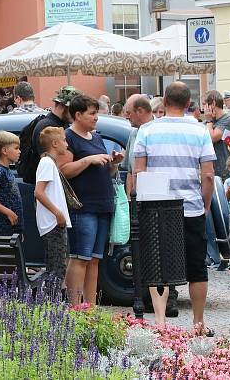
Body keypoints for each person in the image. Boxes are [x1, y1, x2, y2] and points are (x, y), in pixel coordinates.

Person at [133, 81, 215, 332]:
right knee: (196, 266)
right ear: (189, 103)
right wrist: (206, 204)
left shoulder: (146, 130)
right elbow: (209, 175)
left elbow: (139, 172)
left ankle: (160, 321)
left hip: (157, 209)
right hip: (190, 207)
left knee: (159, 264)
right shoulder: (200, 131)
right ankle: (198, 323)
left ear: (164, 101)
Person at [59, 95, 123, 305]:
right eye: (92, 113)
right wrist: (88, 160)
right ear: (78, 115)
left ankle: (91, 307)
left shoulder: (95, 138)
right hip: (82, 206)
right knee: (80, 257)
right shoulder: (68, 138)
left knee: (95, 259)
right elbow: (64, 171)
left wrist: (113, 163)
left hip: (103, 204)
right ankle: (76, 307)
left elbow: (105, 171)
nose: (96, 118)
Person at [34, 127, 72, 285]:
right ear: (55, 143)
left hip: (53, 222)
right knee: (57, 268)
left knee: (55, 267)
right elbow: (39, 192)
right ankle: (52, 303)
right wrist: (57, 212)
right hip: (53, 223)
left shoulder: (49, 163)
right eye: (64, 140)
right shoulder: (47, 163)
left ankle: (52, 302)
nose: (67, 144)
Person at [31, 86, 80, 170]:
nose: (75, 114)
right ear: (62, 106)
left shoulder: (62, 124)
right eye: (73, 110)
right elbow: (50, 163)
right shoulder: (46, 127)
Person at [122, 94, 155, 196]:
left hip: (154, 196)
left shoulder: (158, 132)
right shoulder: (133, 134)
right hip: (136, 199)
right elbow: (129, 171)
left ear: (140, 111)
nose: (126, 117)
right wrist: (130, 200)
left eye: (129, 113)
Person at [203, 90, 230, 181]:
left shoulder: (229, 120)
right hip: (211, 172)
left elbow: (212, 137)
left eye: (204, 104)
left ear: (213, 104)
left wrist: (209, 121)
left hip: (226, 173)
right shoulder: (206, 123)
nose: (203, 109)